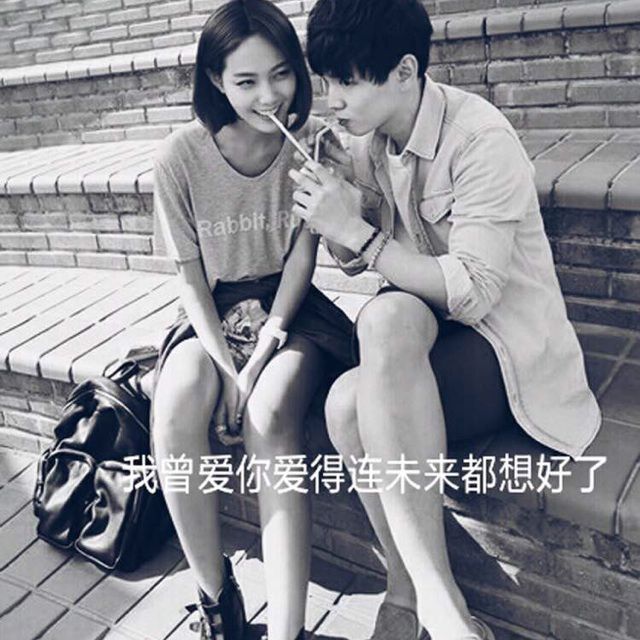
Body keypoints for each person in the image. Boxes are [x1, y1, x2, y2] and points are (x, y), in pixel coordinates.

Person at [289, 1, 602, 639]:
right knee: (351, 388)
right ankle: (428, 596)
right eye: (325, 82)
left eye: (347, 81)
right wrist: (339, 210)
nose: (332, 101)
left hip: (507, 350)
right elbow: (358, 259)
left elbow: (475, 293)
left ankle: (421, 600)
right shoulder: (367, 142)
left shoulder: (480, 138)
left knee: (365, 368)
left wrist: (357, 231)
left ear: (405, 71)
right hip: (425, 342)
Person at [151, 1, 354, 639]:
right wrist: (225, 368)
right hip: (213, 308)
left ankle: (288, 630)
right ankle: (218, 603)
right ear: (216, 81)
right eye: (246, 81)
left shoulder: (314, 145)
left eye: (281, 74)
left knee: (268, 413)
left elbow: (302, 259)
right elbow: (190, 280)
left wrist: (262, 352)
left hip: (293, 310)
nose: (269, 96)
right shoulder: (179, 158)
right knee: (176, 400)